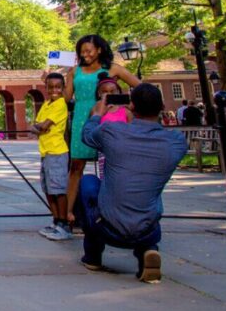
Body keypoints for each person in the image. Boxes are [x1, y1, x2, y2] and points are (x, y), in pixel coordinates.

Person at [76, 83, 188, 283]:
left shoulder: (112, 131)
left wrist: (96, 114)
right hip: (148, 229)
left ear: (131, 106)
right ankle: (148, 251)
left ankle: (93, 255)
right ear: (162, 107)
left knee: (88, 182)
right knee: (146, 190)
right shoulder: (176, 142)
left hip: (107, 227)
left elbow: (86, 136)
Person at [63, 35, 140, 224]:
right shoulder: (74, 71)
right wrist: (47, 79)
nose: (85, 54)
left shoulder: (113, 68)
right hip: (82, 119)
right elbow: (65, 98)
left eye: (89, 50)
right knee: (75, 167)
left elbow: (140, 87)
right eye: (81, 51)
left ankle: (113, 212)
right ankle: (68, 215)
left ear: (99, 50)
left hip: (108, 120)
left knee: (111, 167)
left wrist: (128, 106)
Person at [31, 72, 71, 241]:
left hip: (57, 152)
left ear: (63, 89)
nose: (54, 90)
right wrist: (39, 127)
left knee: (59, 190)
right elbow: (36, 125)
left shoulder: (60, 104)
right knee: (48, 189)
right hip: (46, 152)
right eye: (50, 87)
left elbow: (42, 126)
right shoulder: (47, 104)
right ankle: (55, 221)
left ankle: (64, 224)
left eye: (58, 87)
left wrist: (40, 127)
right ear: (46, 88)